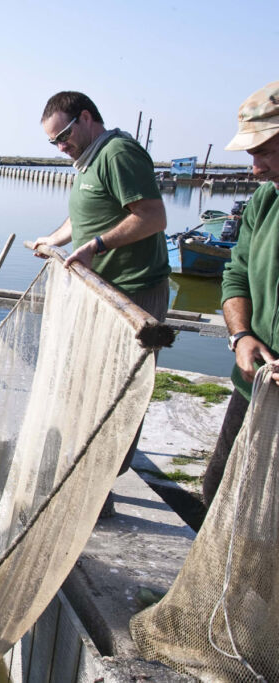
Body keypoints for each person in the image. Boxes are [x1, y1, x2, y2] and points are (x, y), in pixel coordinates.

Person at [32, 91, 170, 515]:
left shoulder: (118, 152)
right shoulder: (89, 160)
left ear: (86, 118)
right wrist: (53, 240)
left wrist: (97, 245)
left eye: (63, 136)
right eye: (53, 142)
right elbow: (86, 214)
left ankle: (100, 488)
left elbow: (152, 215)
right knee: (88, 387)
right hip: (103, 293)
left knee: (117, 393)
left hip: (132, 293)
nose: (60, 147)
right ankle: (92, 481)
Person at [202, 80, 279, 508]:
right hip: (253, 388)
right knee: (219, 494)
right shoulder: (265, 201)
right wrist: (241, 336)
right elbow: (236, 275)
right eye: (251, 155)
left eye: (265, 150)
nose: (255, 169)